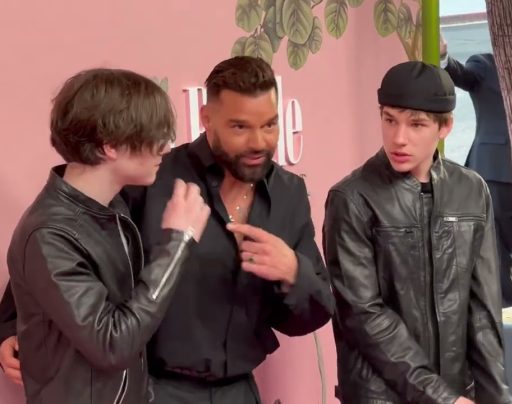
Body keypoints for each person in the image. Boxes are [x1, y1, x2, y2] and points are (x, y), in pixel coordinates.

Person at [0, 56, 334, 404]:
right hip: (155, 389)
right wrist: (9, 327)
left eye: (270, 125)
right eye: (240, 127)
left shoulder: (289, 193)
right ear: (207, 119)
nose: (259, 142)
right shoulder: (148, 176)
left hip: (241, 390)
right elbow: (60, 259)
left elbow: (313, 313)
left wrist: (294, 272)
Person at [1, 68, 210, 403]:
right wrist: (179, 242)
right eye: (153, 136)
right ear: (109, 145)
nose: (165, 148)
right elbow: (112, 345)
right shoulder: (50, 232)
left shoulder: (110, 207)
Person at [323, 61, 512, 404]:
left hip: (457, 392)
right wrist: (440, 397)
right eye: (389, 120)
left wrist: (496, 397)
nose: (399, 138)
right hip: (380, 396)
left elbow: (482, 309)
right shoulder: (351, 199)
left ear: (445, 127)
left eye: (416, 124)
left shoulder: (472, 190)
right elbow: (364, 315)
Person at [440, 36, 512, 307]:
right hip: (496, 169)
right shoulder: (484, 64)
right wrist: (444, 56)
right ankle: (506, 306)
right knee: (496, 243)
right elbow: (462, 76)